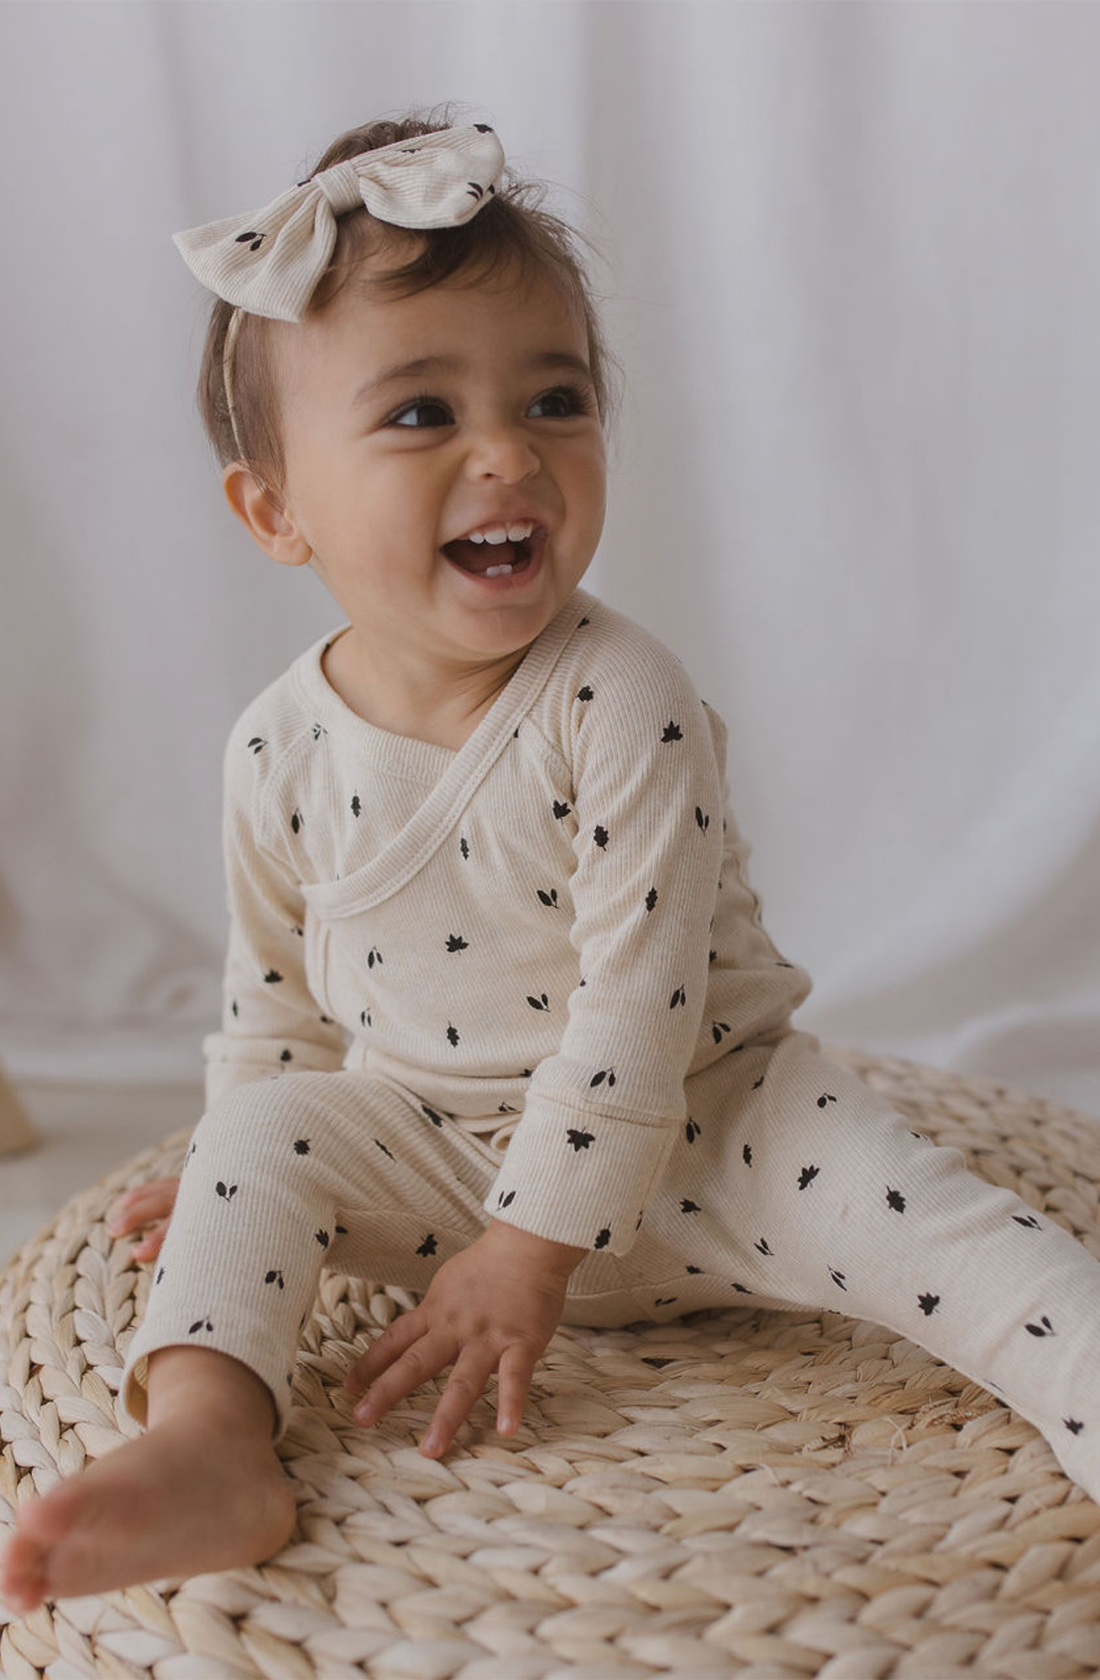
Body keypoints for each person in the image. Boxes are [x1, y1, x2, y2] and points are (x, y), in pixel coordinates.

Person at [4, 107, 1100, 1615]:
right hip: (433, 1151)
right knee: (254, 1146)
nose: (508, 452)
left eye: (557, 398)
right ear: (275, 510)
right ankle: (211, 1439)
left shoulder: (619, 699)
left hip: (719, 1139)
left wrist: (534, 1250)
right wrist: (239, 1155)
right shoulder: (276, 749)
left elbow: (635, 1010)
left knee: (986, 1247)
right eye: (419, 415)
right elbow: (274, 1006)